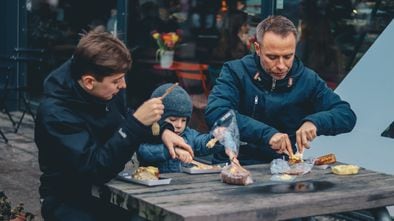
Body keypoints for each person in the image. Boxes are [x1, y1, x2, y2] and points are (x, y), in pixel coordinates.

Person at [34, 31, 193, 221]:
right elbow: (94, 170)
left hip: (110, 191)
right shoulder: (56, 113)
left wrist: (162, 132)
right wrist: (136, 123)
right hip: (69, 199)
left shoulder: (106, 89)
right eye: (116, 81)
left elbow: (122, 121)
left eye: (123, 77)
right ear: (89, 82)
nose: (123, 85)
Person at [205, 15, 357, 165]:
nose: (281, 65)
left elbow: (346, 115)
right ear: (257, 48)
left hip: (282, 166)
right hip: (232, 163)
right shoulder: (235, 71)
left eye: (288, 56)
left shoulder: (307, 79)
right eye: (272, 57)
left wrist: (315, 122)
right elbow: (216, 113)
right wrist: (267, 135)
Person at [137, 83, 223, 173]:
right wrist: (172, 151)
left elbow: (202, 143)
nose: (179, 125)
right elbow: (144, 152)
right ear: (158, 118)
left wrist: (216, 138)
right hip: (155, 182)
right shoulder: (151, 134)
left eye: (183, 120)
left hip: (182, 184)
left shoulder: (188, 135)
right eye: (173, 120)